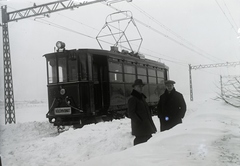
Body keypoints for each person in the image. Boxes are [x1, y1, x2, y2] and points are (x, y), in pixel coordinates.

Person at [128, 79, 157, 146]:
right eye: (139, 86)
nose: (141, 88)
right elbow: (131, 113)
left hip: (146, 126)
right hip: (140, 128)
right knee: (140, 144)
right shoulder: (132, 99)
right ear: (134, 87)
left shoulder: (142, 98)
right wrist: (139, 122)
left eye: (141, 86)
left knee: (148, 143)